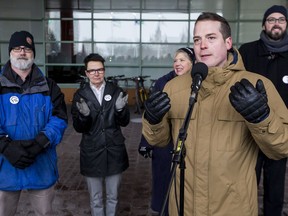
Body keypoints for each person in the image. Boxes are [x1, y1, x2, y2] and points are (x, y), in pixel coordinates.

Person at [142, 12, 288, 216]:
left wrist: (262, 118)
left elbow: (281, 147)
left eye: (211, 38)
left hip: (233, 209)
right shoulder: (173, 87)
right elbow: (158, 140)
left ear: (228, 42)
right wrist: (153, 121)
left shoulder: (256, 86)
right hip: (183, 206)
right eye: (197, 39)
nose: (202, 45)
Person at [0, 30, 68, 216]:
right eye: (17, 48)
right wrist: (5, 147)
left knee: (45, 213)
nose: (22, 52)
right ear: (10, 52)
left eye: (27, 49)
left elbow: (60, 118)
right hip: (4, 169)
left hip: (41, 167)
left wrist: (40, 142)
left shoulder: (49, 86)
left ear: (33, 54)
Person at [238, 5, 288, 216]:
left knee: (275, 189)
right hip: (249, 132)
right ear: (263, 24)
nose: (276, 23)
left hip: (281, 133)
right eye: (271, 19)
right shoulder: (247, 52)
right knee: (245, 183)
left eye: (281, 19)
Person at [138, 47, 195, 215]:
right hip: (165, 144)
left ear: (193, 63)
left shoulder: (198, 82)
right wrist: (145, 142)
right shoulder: (163, 83)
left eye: (182, 60)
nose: (177, 63)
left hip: (190, 143)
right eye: (175, 60)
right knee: (164, 185)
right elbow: (150, 114)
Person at [71, 53, 130, 216]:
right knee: (95, 198)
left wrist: (120, 110)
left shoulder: (115, 90)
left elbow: (124, 122)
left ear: (104, 71)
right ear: (86, 73)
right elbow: (78, 127)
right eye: (92, 71)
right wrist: (83, 116)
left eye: (100, 70)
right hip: (92, 151)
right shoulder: (80, 95)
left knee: (113, 197)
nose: (96, 74)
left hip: (114, 150)